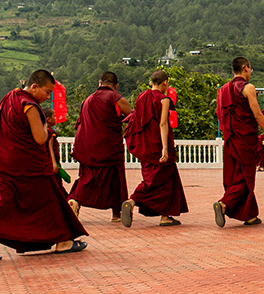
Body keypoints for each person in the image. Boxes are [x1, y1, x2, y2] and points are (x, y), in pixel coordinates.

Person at [0, 69, 87, 261]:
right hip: (29, 166)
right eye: (47, 92)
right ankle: (63, 241)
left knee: (2, 201)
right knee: (50, 199)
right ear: (34, 87)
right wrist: (46, 128)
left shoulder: (10, 98)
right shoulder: (29, 105)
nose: (48, 97)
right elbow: (40, 138)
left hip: (7, 161)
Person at [214, 57, 264, 228]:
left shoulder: (223, 90)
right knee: (246, 177)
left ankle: (249, 216)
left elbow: (220, 115)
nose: (250, 72)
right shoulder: (247, 88)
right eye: (250, 68)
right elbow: (257, 115)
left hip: (231, 140)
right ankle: (223, 203)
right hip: (245, 139)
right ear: (245, 68)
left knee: (237, 175)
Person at [123, 70, 188, 226]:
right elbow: (163, 124)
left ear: (151, 82)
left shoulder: (141, 97)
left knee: (157, 179)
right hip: (158, 145)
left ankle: (164, 216)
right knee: (161, 181)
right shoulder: (164, 99)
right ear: (165, 82)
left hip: (145, 145)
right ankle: (133, 201)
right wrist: (164, 148)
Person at [68, 72, 133, 223]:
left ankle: (75, 200)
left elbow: (80, 123)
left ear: (99, 83)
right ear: (116, 86)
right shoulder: (117, 98)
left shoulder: (87, 100)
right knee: (115, 179)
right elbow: (132, 118)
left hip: (86, 146)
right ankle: (116, 214)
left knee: (87, 178)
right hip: (109, 147)